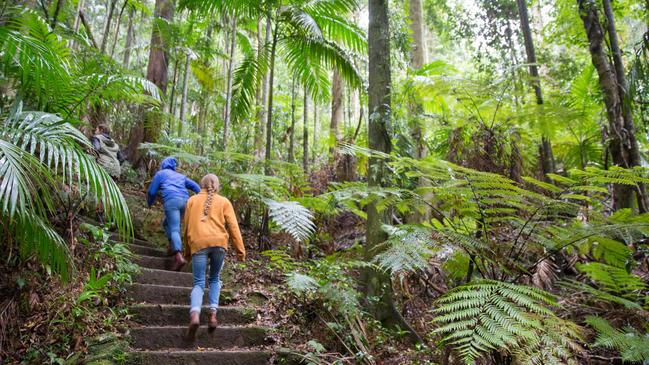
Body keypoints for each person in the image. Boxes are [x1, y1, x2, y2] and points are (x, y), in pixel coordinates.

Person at [182, 174, 246, 340]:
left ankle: (195, 315)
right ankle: (212, 315)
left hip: (198, 243)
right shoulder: (224, 201)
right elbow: (233, 226)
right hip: (219, 244)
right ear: (216, 186)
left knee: (198, 283)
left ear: (201, 185)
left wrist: (187, 252)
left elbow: (187, 227)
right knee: (215, 279)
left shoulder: (192, 200)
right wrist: (240, 250)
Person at [147, 157, 201, 271]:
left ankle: (178, 256)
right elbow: (196, 187)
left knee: (174, 229)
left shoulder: (160, 174)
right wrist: (199, 199)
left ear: (163, 164)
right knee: (167, 224)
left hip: (172, 201)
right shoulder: (180, 176)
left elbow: (151, 192)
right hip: (186, 203)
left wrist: (150, 203)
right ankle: (172, 247)